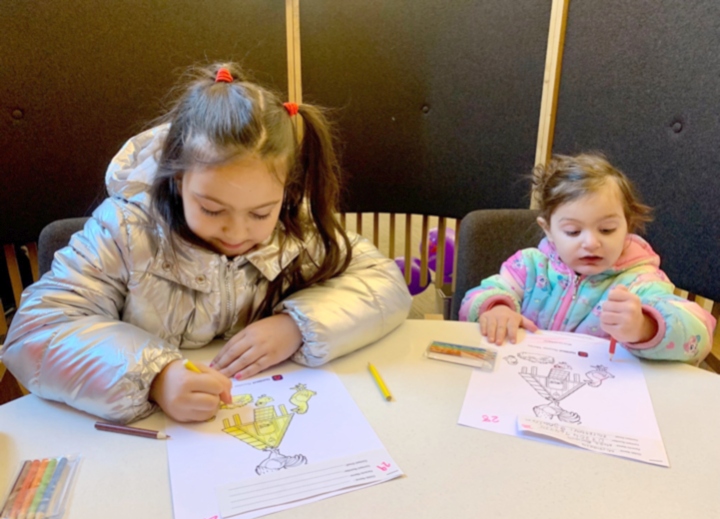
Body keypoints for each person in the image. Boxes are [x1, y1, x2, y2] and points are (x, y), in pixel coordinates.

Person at [2, 63, 412, 423]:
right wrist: (155, 376)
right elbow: (35, 331)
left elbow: (382, 281)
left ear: (286, 193)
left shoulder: (296, 227)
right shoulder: (126, 231)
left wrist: (298, 327)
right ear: (178, 181)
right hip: (146, 441)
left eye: (259, 213)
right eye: (213, 210)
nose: (236, 233)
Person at [459, 153, 715, 363]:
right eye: (572, 231)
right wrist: (496, 309)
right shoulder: (529, 266)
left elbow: (700, 335)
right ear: (548, 229)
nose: (591, 243)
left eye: (607, 230)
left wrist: (645, 326)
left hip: (599, 401)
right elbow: (472, 300)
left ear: (628, 226)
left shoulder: (640, 282)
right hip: (520, 381)